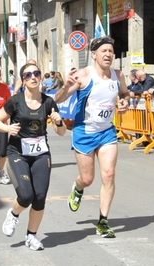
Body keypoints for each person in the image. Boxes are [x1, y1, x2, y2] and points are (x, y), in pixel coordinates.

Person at [54, 36, 130, 238]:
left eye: (110, 51)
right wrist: (65, 85)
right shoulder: (83, 75)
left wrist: (125, 102)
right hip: (84, 132)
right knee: (88, 179)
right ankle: (78, 187)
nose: (108, 54)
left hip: (107, 132)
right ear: (94, 54)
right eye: (103, 51)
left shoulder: (118, 75)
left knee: (109, 175)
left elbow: (125, 94)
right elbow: (58, 99)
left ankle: (103, 222)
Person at [0, 63, 66, 251]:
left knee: (39, 197)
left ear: (41, 76)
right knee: (26, 195)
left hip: (41, 154)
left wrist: (59, 121)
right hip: (18, 152)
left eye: (36, 73)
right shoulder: (15, 101)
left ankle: (31, 236)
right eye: (28, 75)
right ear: (23, 79)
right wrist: (8, 128)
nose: (33, 77)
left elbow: (61, 132)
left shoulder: (48, 102)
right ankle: (13, 214)